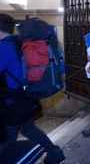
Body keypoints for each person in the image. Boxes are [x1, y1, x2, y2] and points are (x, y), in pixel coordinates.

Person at [0, 13, 65, 163]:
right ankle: (55, 154)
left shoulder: (3, 47)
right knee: (28, 128)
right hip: (27, 97)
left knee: (7, 140)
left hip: (11, 103)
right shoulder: (19, 42)